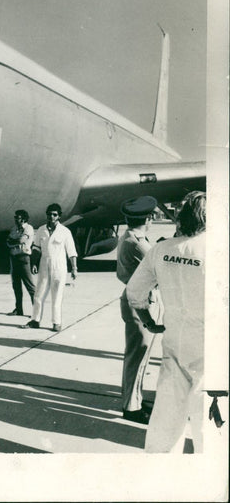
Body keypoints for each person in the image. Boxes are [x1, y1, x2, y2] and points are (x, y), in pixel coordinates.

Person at [126, 190, 206, 452]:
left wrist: (149, 322)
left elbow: (134, 293)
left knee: (166, 419)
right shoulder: (216, 249)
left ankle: (160, 479)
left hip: (174, 343)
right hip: (209, 346)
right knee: (209, 421)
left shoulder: (160, 250)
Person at [116, 195, 159, 424]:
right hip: (140, 301)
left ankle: (136, 399)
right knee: (137, 355)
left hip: (136, 297)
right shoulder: (137, 242)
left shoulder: (130, 236)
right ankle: (131, 407)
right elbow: (157, 270)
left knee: (139, 355)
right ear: (149, 218)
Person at [22, 203, 77, 332]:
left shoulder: (65, 231)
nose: (51, 217)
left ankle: (56, 323)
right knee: (38, 295)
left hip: (59, 267)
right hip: (44, 266)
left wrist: (74, 268)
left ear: (59, 216)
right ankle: (35, 320)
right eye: (49, 214)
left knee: (57, 296)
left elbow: (71, 251)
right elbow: (36, 248)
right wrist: (34, 263)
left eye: (54, 214)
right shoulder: (41, 230)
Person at [6, 209, 35, 316]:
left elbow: (21, 241)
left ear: (23, 218)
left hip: (23, 258)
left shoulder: (28, 228)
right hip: (14, 258)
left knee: (30, 286)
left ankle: (36, 311)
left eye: (17, 217)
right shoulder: (14, 228)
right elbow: (8, 242)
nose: (15, 219)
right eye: (15, 217)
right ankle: (19, 309)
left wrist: (14, 241)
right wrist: (15, 241)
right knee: (16, 285)